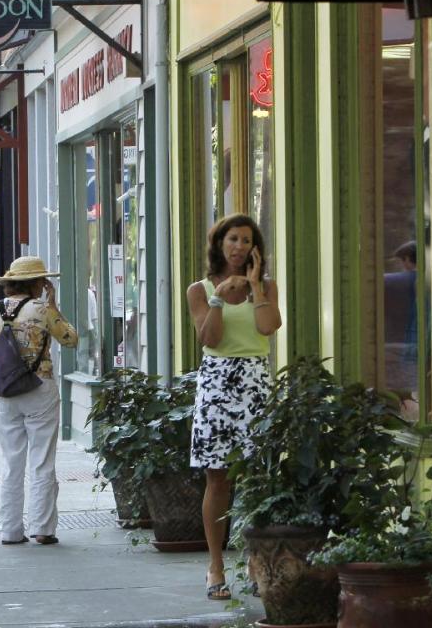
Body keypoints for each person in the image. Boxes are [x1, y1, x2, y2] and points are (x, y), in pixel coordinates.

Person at [186, 214, 282, 601]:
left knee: (258, 477)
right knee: (218, 478)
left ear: (255, 249)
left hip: (255, 382)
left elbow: (268, 327)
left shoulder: (267, 286)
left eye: (246, 240)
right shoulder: (200, 288)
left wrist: (257, 287)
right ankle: (215, 566)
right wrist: (218, 298)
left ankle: (256, 562)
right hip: (217, 384)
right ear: (219, 244)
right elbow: (209, 338)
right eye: (232, 239)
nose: (239, 247)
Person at [0, 256, 77, 545]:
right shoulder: (42, 309)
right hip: (40, 387)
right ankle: (43, 528)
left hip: (7, 392)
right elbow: (71, 339)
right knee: (42, 460)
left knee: (12, 462)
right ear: (38, 283)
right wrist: (53, 305)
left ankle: (10, 530)